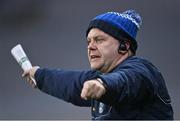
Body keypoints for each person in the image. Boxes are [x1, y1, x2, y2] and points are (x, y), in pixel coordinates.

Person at [22, 9, 173, 120]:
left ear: (125, 46)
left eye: (99, 40)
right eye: (89, 41)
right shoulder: (100, 77)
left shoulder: (142, 70)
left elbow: (125, 80)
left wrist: (103, 85)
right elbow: (69, 83)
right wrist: (39, 75)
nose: (90, 47)